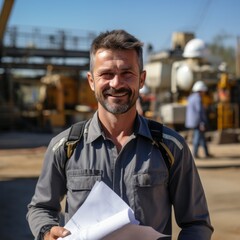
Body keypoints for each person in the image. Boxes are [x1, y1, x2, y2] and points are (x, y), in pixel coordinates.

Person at [27, 30, 213, 240]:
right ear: (91, 81)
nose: (116, 84)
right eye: (106, 74)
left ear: (141, 79)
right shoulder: (64, 147)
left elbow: (196, 223)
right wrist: (46, 231)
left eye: (127, 73)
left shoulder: (170, 147)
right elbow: (40, 208)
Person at [185, 80, 212, 158]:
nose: (204, 93)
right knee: (197, 137)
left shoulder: (191, 97)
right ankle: (195, 153)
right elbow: (199, 111)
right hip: (197, 122)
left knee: (202, 137)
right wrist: (202, 123)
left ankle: (206, 153)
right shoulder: (198, 98)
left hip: (192, 121)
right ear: (201, 90)